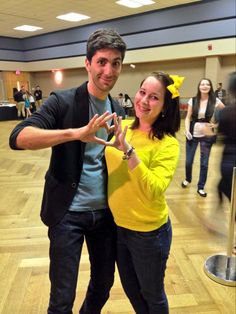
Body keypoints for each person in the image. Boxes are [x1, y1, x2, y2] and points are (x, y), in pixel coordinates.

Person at [9, 28, 126, 314]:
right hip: (67, 215)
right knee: (61, 299)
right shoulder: (61, 101)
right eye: (101, 61)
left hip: (105, 215)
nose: (108, 70)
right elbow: (18, 138)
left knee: (103, 285)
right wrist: (76, 133)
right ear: (87, 63)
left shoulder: (116, 109)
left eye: (115, 63)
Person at [105, 71, 184, 313]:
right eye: (142, 92)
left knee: (152, 294)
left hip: (149, 233)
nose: (143, 100)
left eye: (154, 97)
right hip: (119, 226)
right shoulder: (124, 127)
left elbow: (154, 189)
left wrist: (129, 151)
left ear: (165, 106)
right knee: (131, 288)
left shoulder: (168, 144)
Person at [181, 78, 225, 197]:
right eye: (202, 84)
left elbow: (226, 112)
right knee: (188, 161)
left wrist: (216, 124)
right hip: (193, 134)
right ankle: (188, 178)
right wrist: (186, 129)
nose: (204, 86)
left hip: (207, 135)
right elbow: (188, 117)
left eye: (207, 84)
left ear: (210, 87)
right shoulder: (193, 100)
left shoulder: (215, 100)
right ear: (199, 86)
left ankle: (201, 187)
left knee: (204, 163)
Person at [218, 72, 236, 202]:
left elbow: (221, 136)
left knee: (226, 188)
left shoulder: (225, 112)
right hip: (229, 159)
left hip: (229, 159)